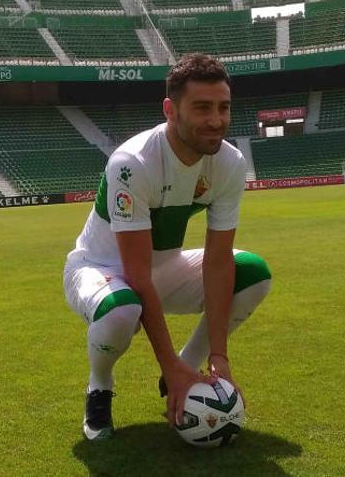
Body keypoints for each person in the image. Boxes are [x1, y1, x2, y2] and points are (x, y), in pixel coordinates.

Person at [63, 53, 272, 441]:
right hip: (100, 268)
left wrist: (219, 357)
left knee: (253, 274)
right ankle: (100, 385)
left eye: (224, 107)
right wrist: (167, 357)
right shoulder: (132, 163)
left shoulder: (229, 163)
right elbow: (137, 274)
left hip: (163, 269)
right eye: (202, 108)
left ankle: (184, 374)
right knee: (122, 310)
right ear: (170, 110)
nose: (216, 120)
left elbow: (218, 260)